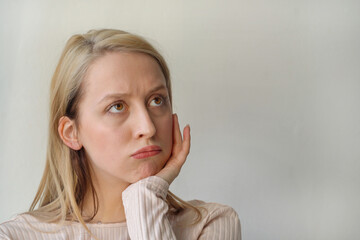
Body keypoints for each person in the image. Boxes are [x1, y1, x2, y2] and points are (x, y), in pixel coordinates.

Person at [0, 29, 241, 239]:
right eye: (117, 106)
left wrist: (145, 197)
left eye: (156, 100)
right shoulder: (15, 236)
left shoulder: (210, 225)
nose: (148, 128)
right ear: (72, 133)